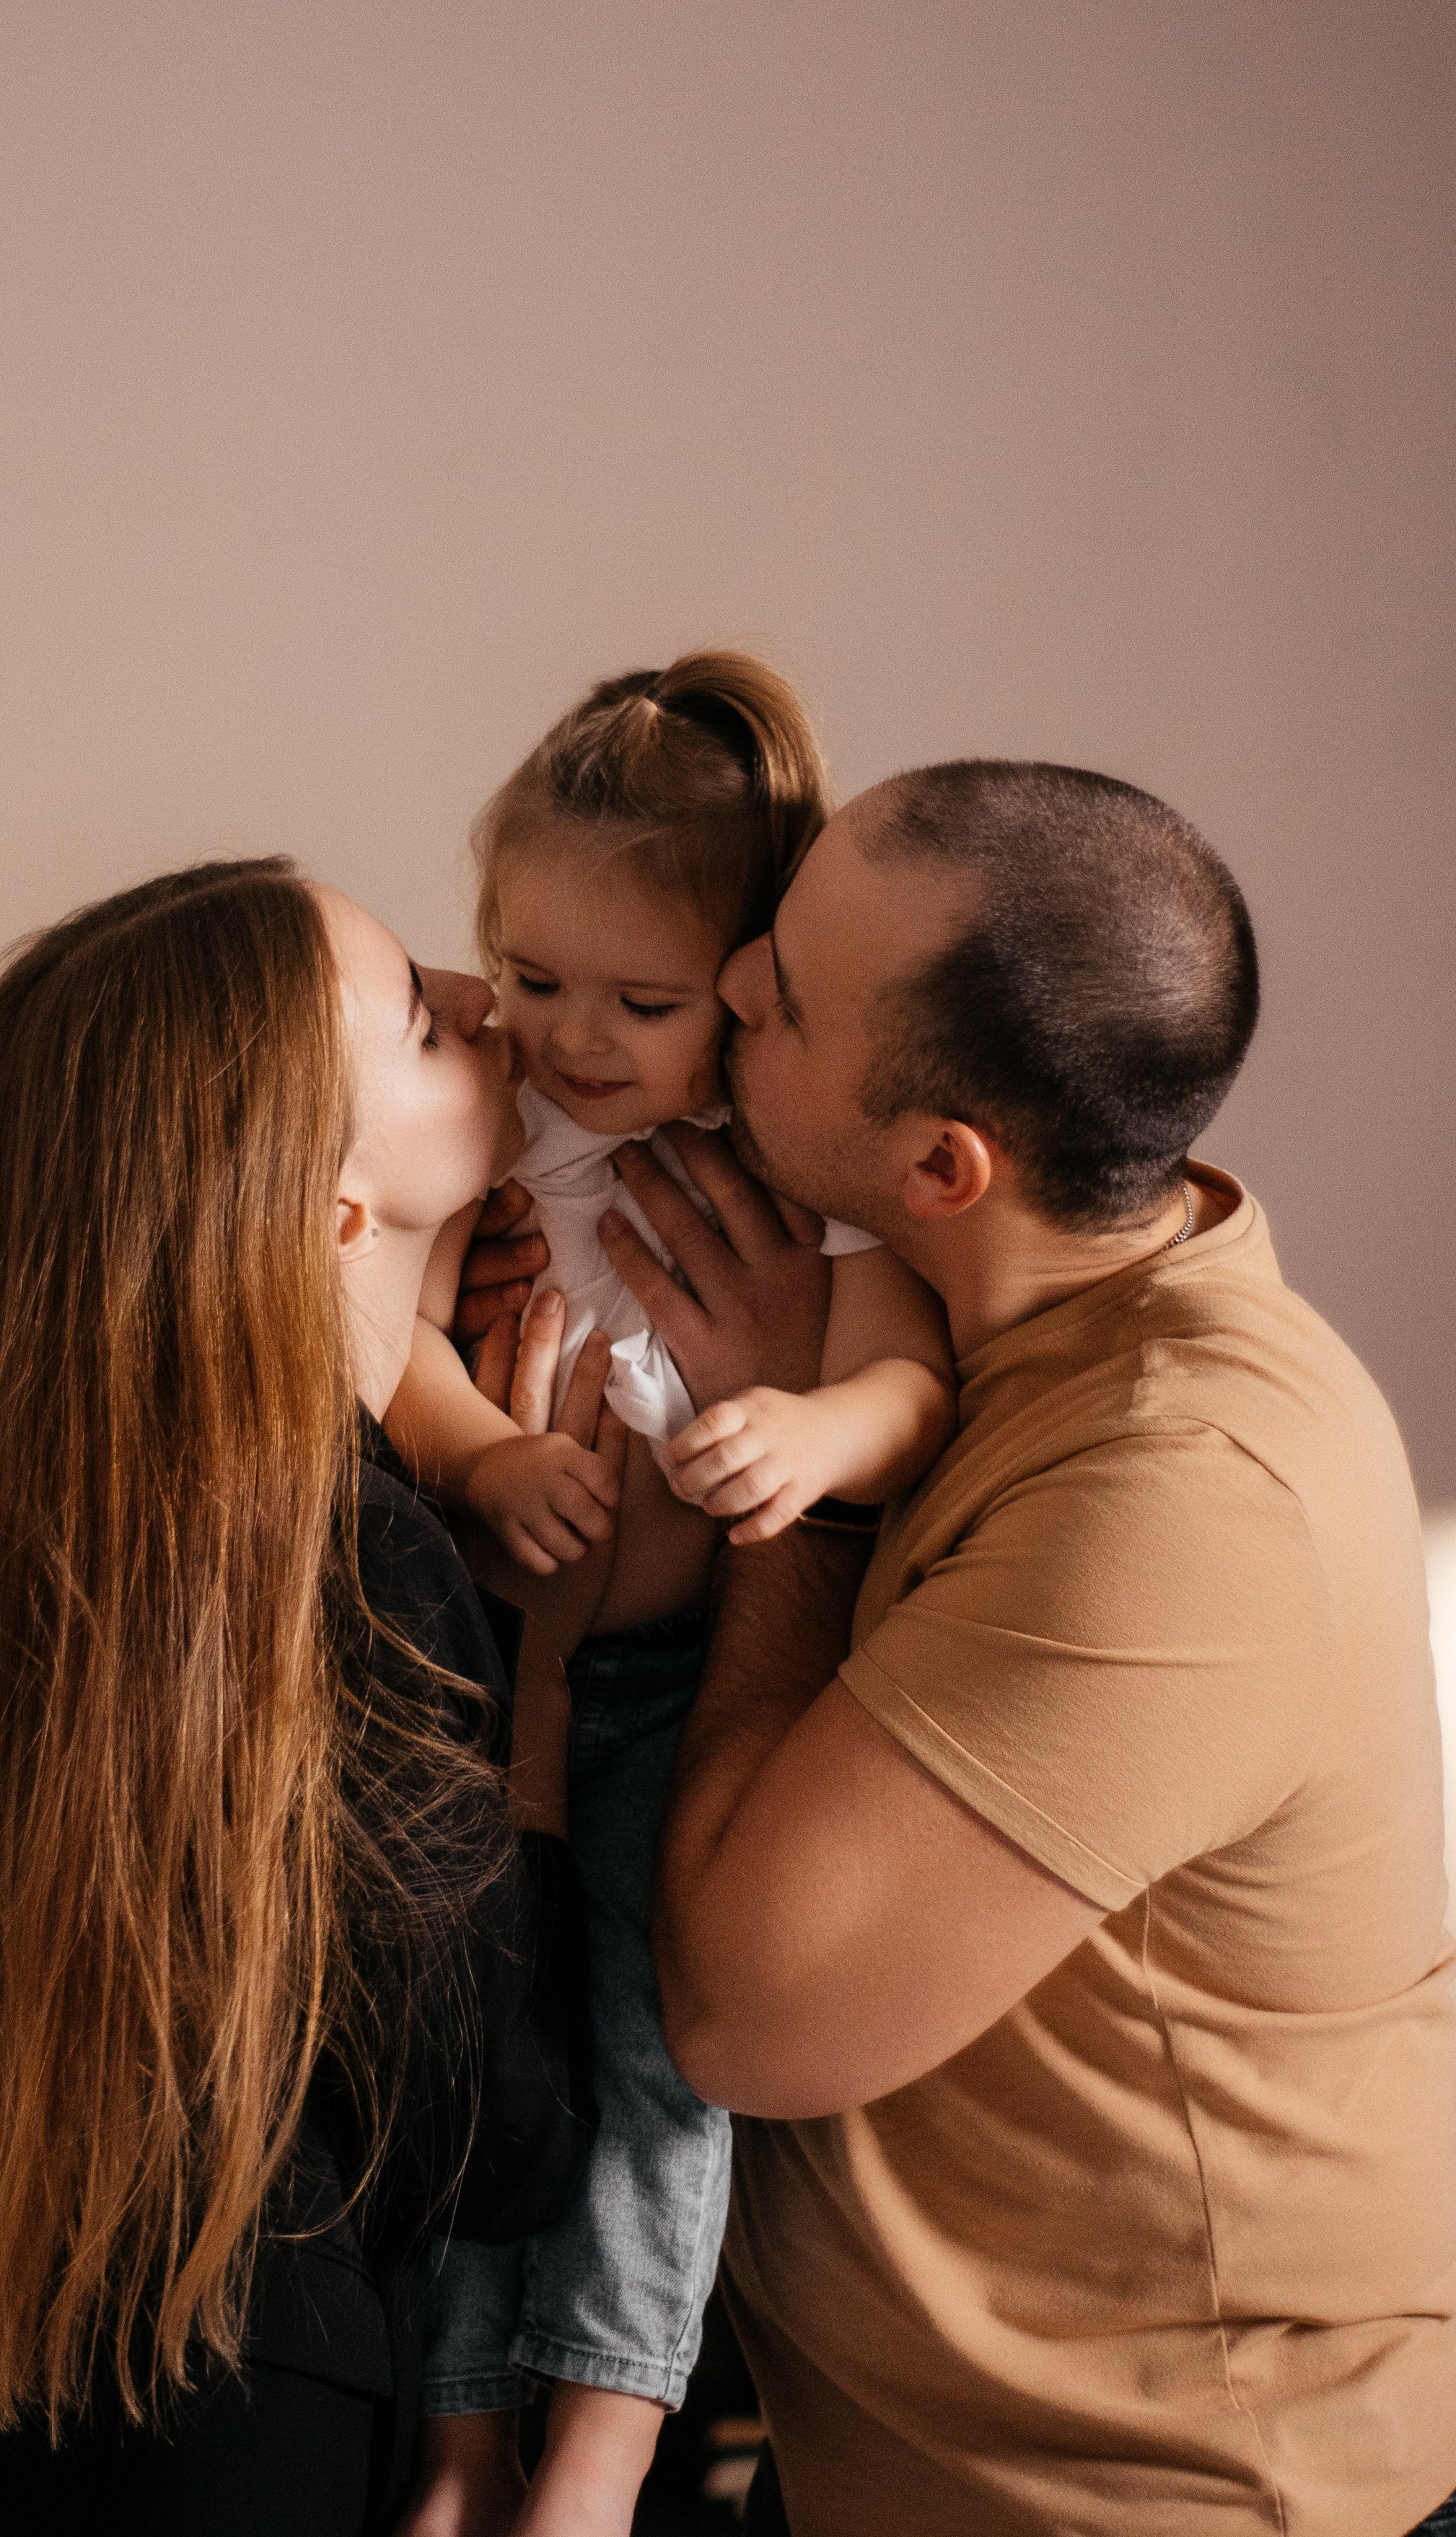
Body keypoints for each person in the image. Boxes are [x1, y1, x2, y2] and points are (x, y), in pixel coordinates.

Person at [497, 759, 1454, 2537]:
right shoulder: (978, 1309)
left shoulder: (1181, 1485)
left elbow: (746, 2018)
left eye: (768, 999)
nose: (723, 997)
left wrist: (797, 1488)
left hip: (1172, 2501)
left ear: (939, 1166)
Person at [0, 859, 607, 2536]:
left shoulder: (114, 1557)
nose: (483, 1003)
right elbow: (488, 2135)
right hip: (236, 2437)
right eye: (411, 1016)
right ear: (322, 1207)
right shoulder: (361, 1563)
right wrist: (558, 1680)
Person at [387, 658, 955, 2537]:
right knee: (485, 2041)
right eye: (526, 975)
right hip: (476, 1667)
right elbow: (387, 1350)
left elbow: (905, 1383)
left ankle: (609, 2431)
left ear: (748, 989)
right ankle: (462, 2422)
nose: (570, 1033)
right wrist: (480, 1453)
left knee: (655, 2052)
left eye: (640, 1000)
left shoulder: (798, 1180)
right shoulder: (499, 1126)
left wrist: (811, 1431)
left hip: (677, 1687)